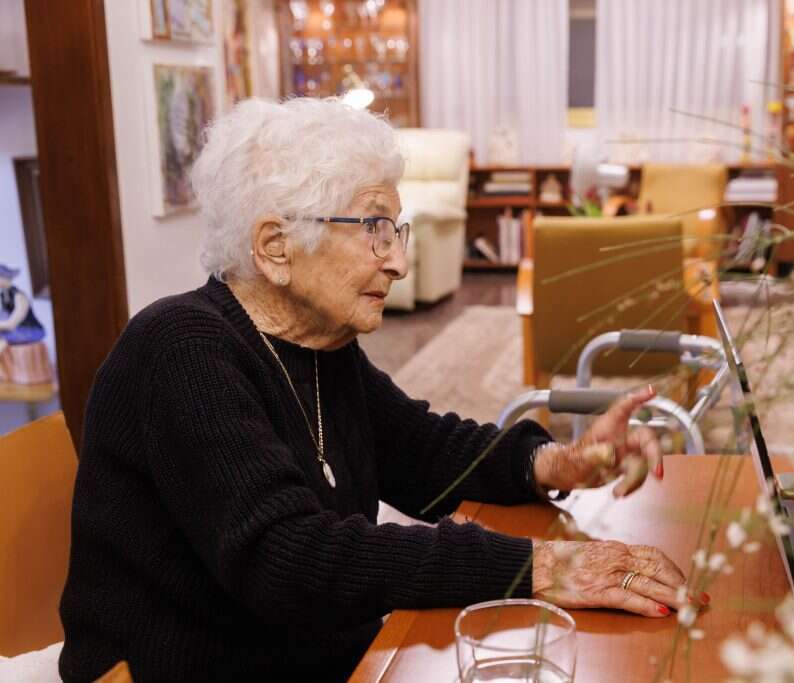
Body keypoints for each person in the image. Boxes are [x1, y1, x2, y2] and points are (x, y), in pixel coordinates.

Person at [58, 97, 687, 682]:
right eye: (374, 230)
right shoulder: (181, 350)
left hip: (313, 652)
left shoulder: (317, 343)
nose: (398, 262)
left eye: (396, 231)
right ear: (276, 247)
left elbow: (426, 453)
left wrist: (557, 461)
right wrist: (541, 567)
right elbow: (288, 558)